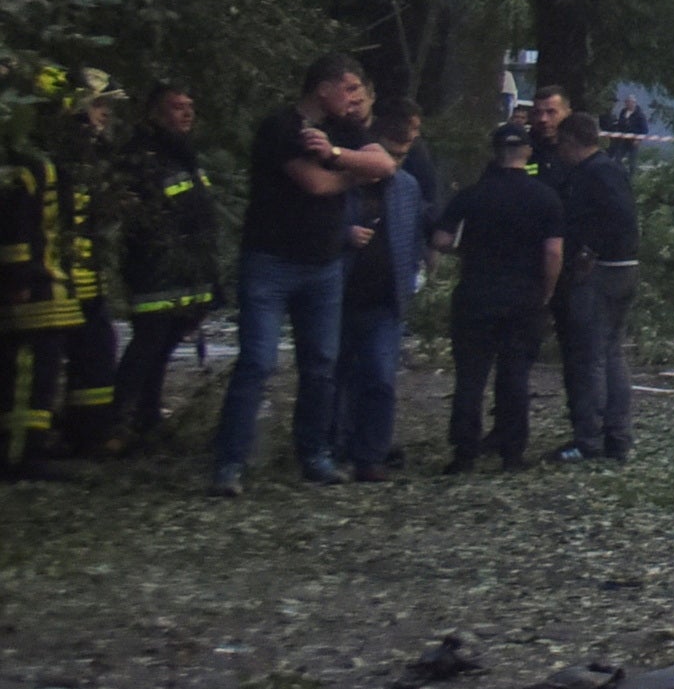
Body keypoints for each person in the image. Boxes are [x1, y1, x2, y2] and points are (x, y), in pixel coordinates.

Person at [210, 57, 379, 490]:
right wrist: (350, 175)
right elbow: (316, 184)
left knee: (321, 364)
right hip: (271, 261)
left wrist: (339, 155)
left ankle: (314, 455)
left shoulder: (343, 130)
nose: (354, 97)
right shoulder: (282, 128)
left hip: (323, 264)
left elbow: (386, 165)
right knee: (257, 361)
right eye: (348, 87)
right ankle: (229, 463)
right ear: (322, 89)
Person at [428, 126, 565, 472]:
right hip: (523, 297)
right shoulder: (546, 198)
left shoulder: (472, 196)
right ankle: (512, 452)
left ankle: (463, 452)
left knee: (470, 377)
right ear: (528, 153)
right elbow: (553, 253)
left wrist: (466, 251)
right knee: (515, 375)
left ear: (494, 152)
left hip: (475, 294)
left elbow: (441, 240)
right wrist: (546, 291)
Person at [96, 85, 219, 456]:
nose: (186, 113)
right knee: (148, 342)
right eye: (176, 107)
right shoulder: (141, 155)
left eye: (190, 106)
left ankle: (147, 420)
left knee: (164, 345)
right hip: (154, 268)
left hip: (186, 269)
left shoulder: (183, 155)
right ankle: (117, 423)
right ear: (154, 113)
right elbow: (140, 218)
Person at [535, 94, 640, 465]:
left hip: (601, 274)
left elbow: (618, 218)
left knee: (588, 358)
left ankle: (589, 439)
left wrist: (588, 252)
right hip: (623, 269)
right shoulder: (610, 169)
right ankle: (618, 437)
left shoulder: (593, 174)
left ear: (570, 142)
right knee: (611, 354)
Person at [330, 102, 431, 478]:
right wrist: (344, 236)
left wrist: (410, 282)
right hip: (340, 293)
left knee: (379, 376)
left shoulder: (406, 188)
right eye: (390, 153)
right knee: (332, 375)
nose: (395, 162)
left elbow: (411, 238)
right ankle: (331, 446)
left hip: (385, 300)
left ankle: (369, 454)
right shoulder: (342, 182)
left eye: (403, 155)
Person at [0, 85, 95, 480]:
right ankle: (18, 454)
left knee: (43, 370)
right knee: (26, 370)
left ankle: (34, 447)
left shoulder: (57, 165)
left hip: (54, 286)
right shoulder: (29, 167)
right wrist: (18, 276)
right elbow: (15, 225)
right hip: (34, 287)